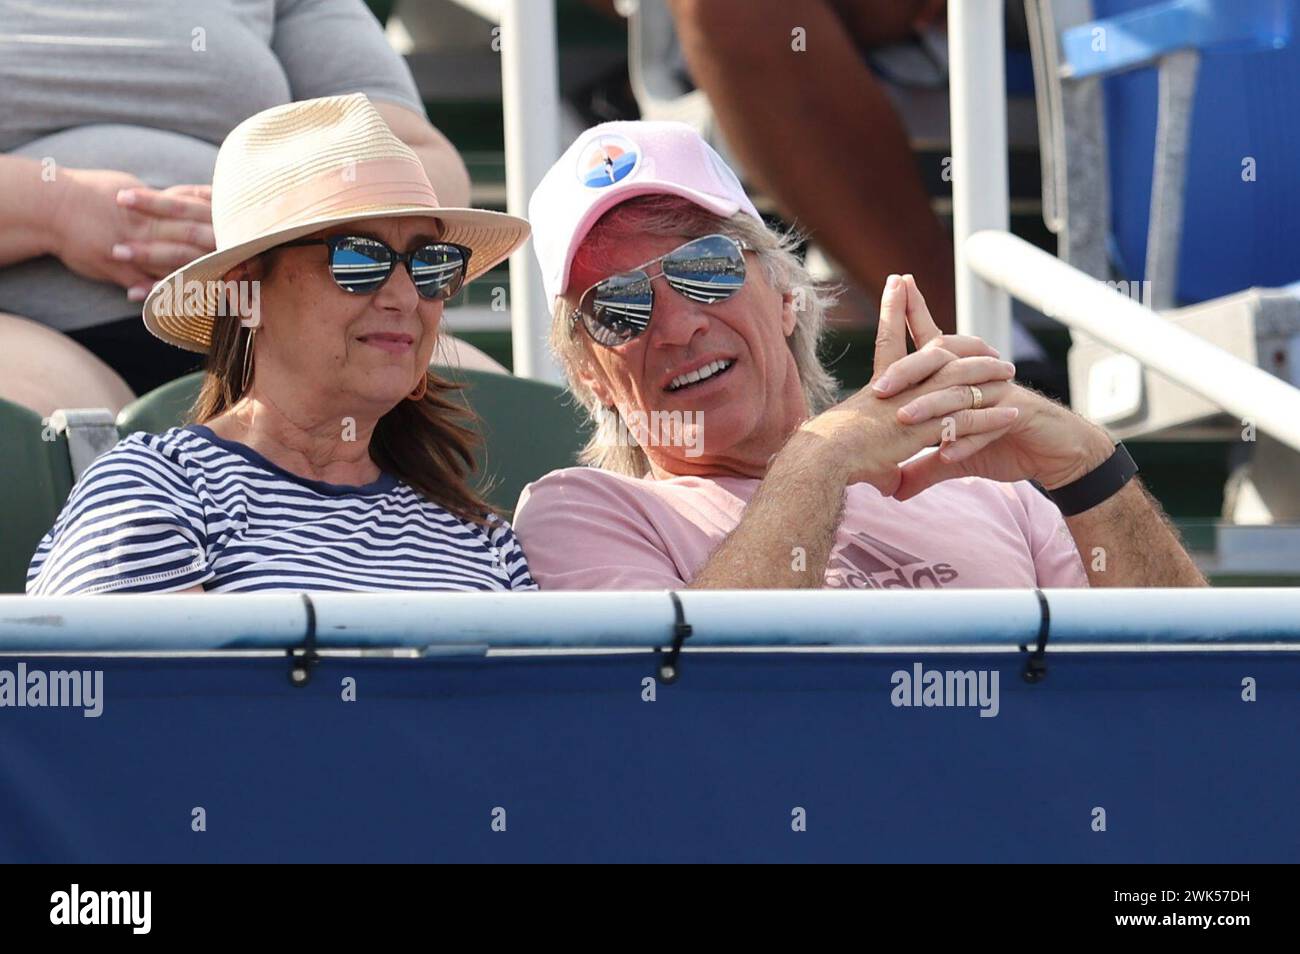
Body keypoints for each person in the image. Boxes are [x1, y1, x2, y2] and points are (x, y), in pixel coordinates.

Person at [511, 121, 1206, 590]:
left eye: (708, 267)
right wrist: (820, 458)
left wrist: (1085, 463)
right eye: (619, 308)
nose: (676, 327)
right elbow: (690, 712)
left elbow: (1192, 698)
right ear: (586, 372)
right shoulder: (581, 514)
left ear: (786, 293)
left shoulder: (995, 497)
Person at [27, 94, 534, 595]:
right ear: (245, 292)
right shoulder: (154, 490)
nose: (404, 296)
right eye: (358, 258)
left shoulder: (485, 539)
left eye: (430, 263)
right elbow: (152, 680)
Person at [0, 0, 472, 408]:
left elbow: (428, 163)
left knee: (493, 414)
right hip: (36, 326)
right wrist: (55, 210)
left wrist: (281, 211)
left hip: (297, 320)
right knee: (41, 431)